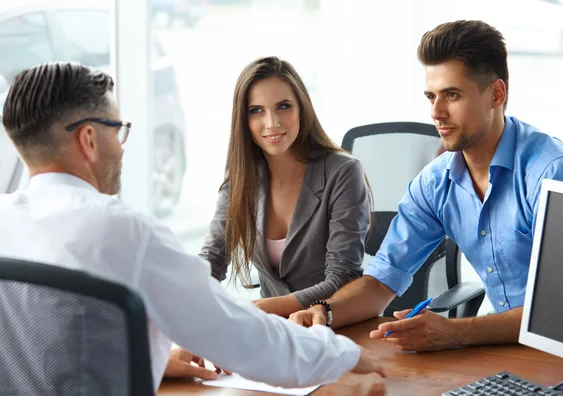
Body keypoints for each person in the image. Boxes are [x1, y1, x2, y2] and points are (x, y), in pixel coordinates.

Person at [0, 62, 384, 393]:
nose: (121, 147)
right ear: (88, 139)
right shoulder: (124, 233)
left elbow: (57, 346)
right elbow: (241, 338)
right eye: (118, 130)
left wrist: (154, 360)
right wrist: (341, 354)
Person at [289, 20, 563, 351]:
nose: (436, 112)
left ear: (496, 93)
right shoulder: (435, 183)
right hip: (503, 349)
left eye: (451, 95)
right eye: (431, 96)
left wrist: (453, 332)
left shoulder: (553, 173)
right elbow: (381, 281)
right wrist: (325, 311)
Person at [200, 56, 371, 317]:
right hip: (272, 331)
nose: (272, 123)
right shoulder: (241, 178)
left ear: (301, 108)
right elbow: (211, 259)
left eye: (283, 106)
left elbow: (343, 279)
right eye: (256, 110)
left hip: (329, 325)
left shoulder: (343, 172)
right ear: (243, 120)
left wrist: (257, 310)